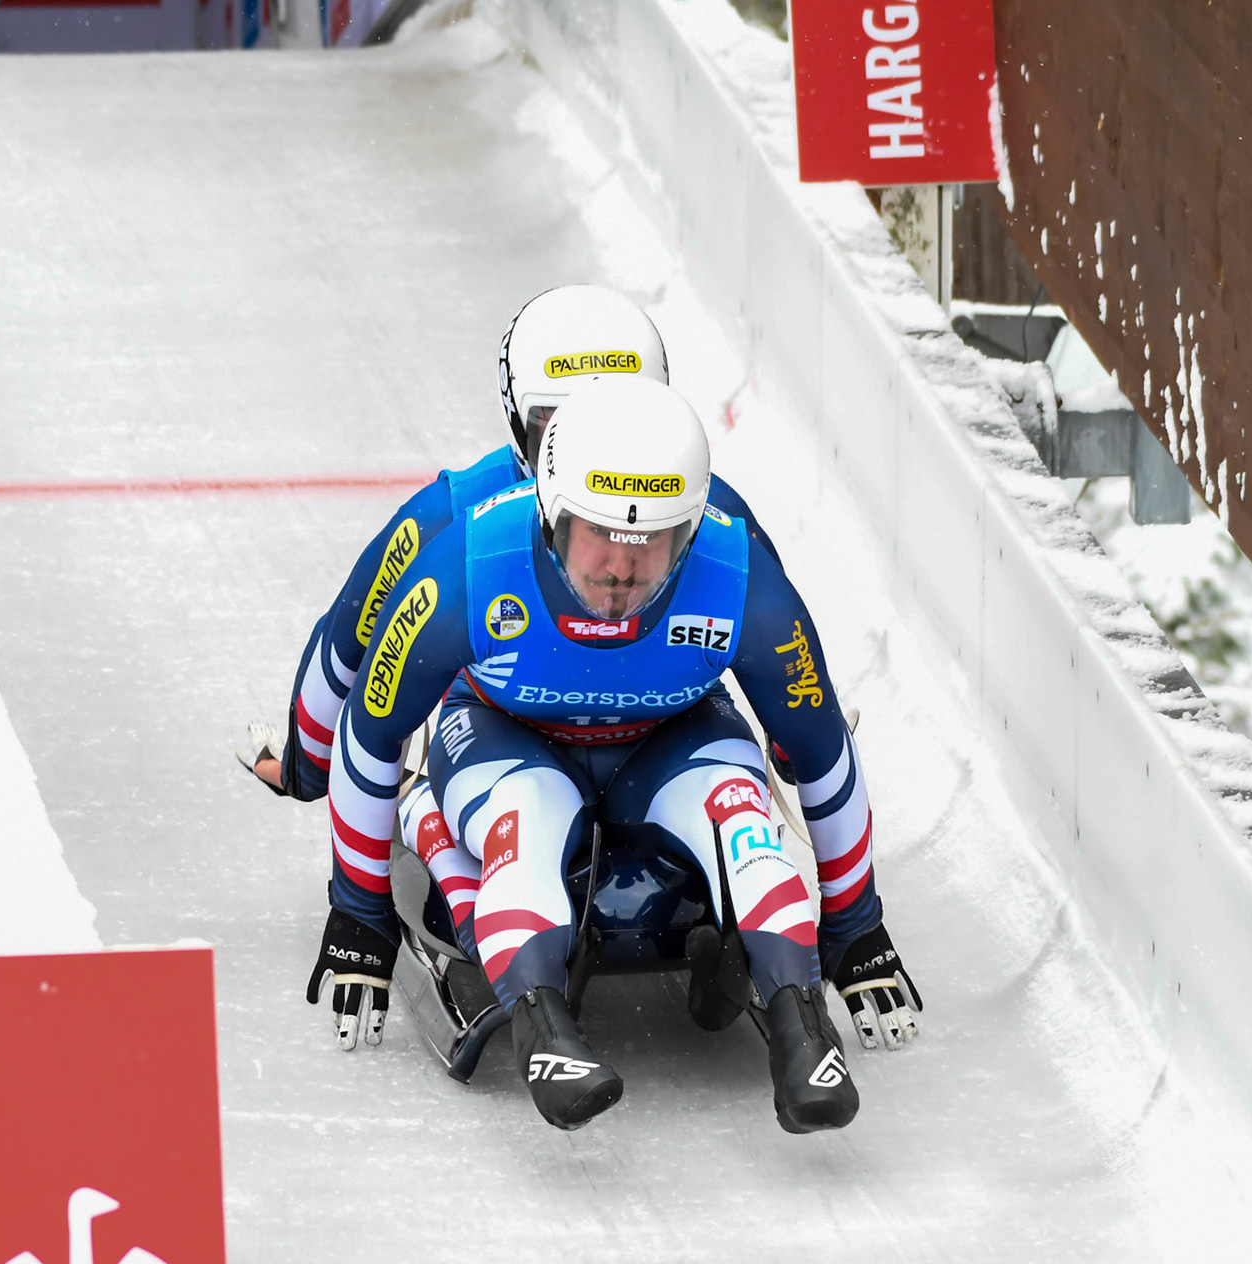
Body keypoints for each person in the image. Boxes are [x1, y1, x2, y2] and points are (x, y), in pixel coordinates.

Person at [301, 375, 923, 1134]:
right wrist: (359, 914)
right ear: (551, 512)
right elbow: (371, 732)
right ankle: (544, 1031)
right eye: (598, 536)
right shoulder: (465, 567)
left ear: (689, 532)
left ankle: (803, 1032)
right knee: (522, 828)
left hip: (672, 736)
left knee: (746, 824)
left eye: (650, 545)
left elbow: (822, 747)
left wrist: (856, 927)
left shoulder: (741, 580)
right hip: (506, 736)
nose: (620, 572)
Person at [241, 284, 779, 803]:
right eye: (555, 421)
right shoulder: (450, 514)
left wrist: (793, 738)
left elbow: (778, 634)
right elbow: (358, 624)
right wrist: (309, 766)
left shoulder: (707, 514)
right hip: (502, 728)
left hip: (664, 732)